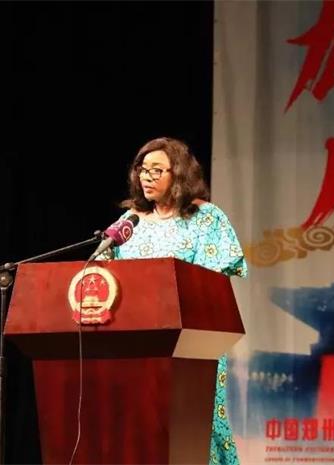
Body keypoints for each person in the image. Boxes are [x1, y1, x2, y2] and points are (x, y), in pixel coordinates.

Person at [101, 136, 247, 465]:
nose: (147, 176)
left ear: (178, 173)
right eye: (143, 169)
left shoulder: (206, 218)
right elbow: (103, 272)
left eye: (157, 170)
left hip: (193, 344)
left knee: (195, 427)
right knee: (139, 427)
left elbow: (210, 282)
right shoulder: (130, 222)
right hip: (136, 344)